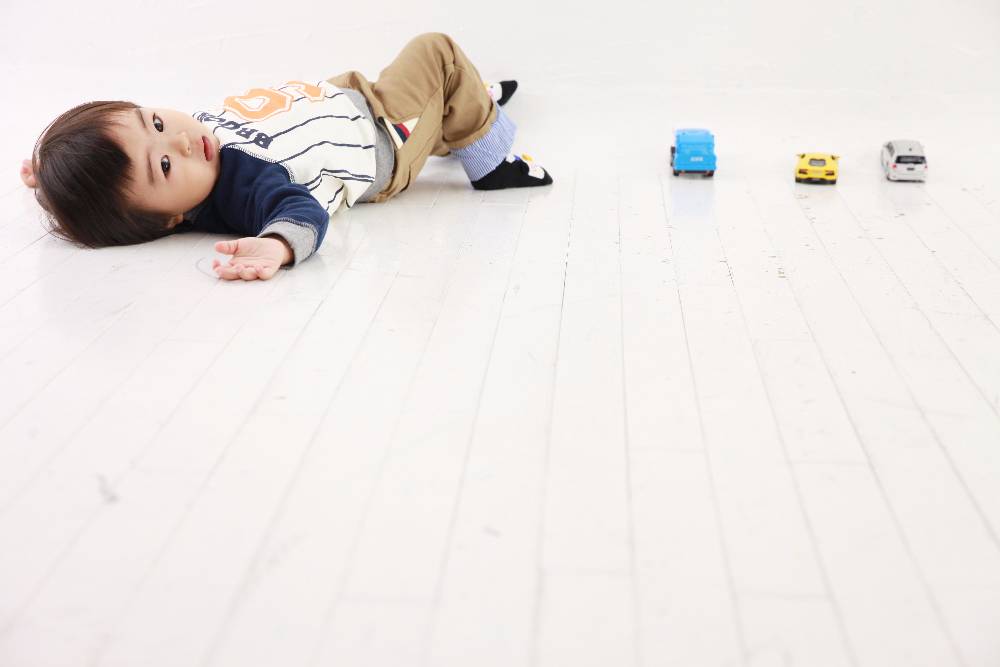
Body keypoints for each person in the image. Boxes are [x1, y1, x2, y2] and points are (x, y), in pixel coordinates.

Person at [19, 32, 552, 282]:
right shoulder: (244, 187)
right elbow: (300, 212)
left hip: (348, 100)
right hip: (384, 135)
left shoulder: (193, 147)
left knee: (419, 82)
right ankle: (487, 155)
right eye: (163, 167)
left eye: (155, 122)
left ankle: (460, 102)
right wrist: (278, 246)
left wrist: (51, 174)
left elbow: (107, 170)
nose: (178, 140)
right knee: (435, 51)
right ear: (170, 220)